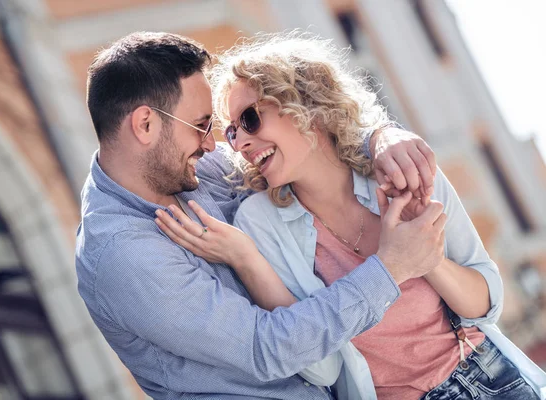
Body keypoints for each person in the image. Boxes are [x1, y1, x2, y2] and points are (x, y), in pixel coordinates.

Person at [156, 33, 546, 400]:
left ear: (305, 106)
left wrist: (427, 259)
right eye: (233, 133)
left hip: (495, 378)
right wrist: (246, 259)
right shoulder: (260, 223)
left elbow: (487, 303)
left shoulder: (401, 168)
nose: (239, 142)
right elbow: (322, 369)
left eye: (251, 119)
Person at [76, 31, 446, 400]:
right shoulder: (122, 255)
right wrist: (390, 269)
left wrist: (379, 139)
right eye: (201, 124)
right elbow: (267, 348)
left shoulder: (196, 167)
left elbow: (301, 146)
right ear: (145, 125)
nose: (211, 143)